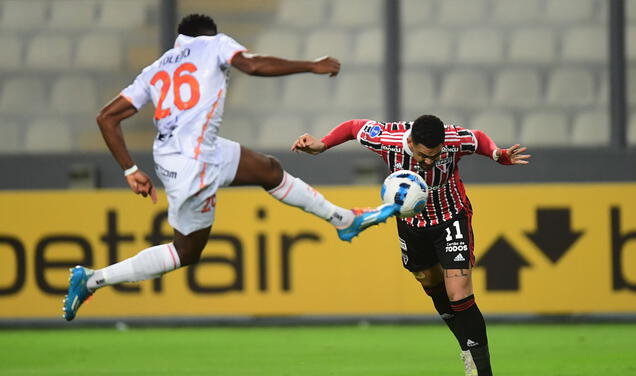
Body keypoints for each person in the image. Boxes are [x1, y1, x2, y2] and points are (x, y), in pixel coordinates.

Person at [63, 14, 397, 322]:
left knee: (268, 169)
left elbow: (106, 117)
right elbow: (251, 65)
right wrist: (311, 65)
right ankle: (93, 280)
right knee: (186, 251)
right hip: (197, 161)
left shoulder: (156, 68)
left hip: (176, 157)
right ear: (209, 33)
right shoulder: (215, 43)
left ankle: (344, 220)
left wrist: (130, 170)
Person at [292, 114, 530, 376]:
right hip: (412, 226)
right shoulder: (387, 139)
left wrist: (497, 153)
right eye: (422, 155)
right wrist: (322, 144)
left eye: (435, 156)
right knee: (430, 282)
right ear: (411, 142)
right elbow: (352, 127)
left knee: (459, 292)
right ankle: (466, 346)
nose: (429, 162)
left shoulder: (452, 138)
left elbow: (478, 138)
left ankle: (481, 369)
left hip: (451, 218)